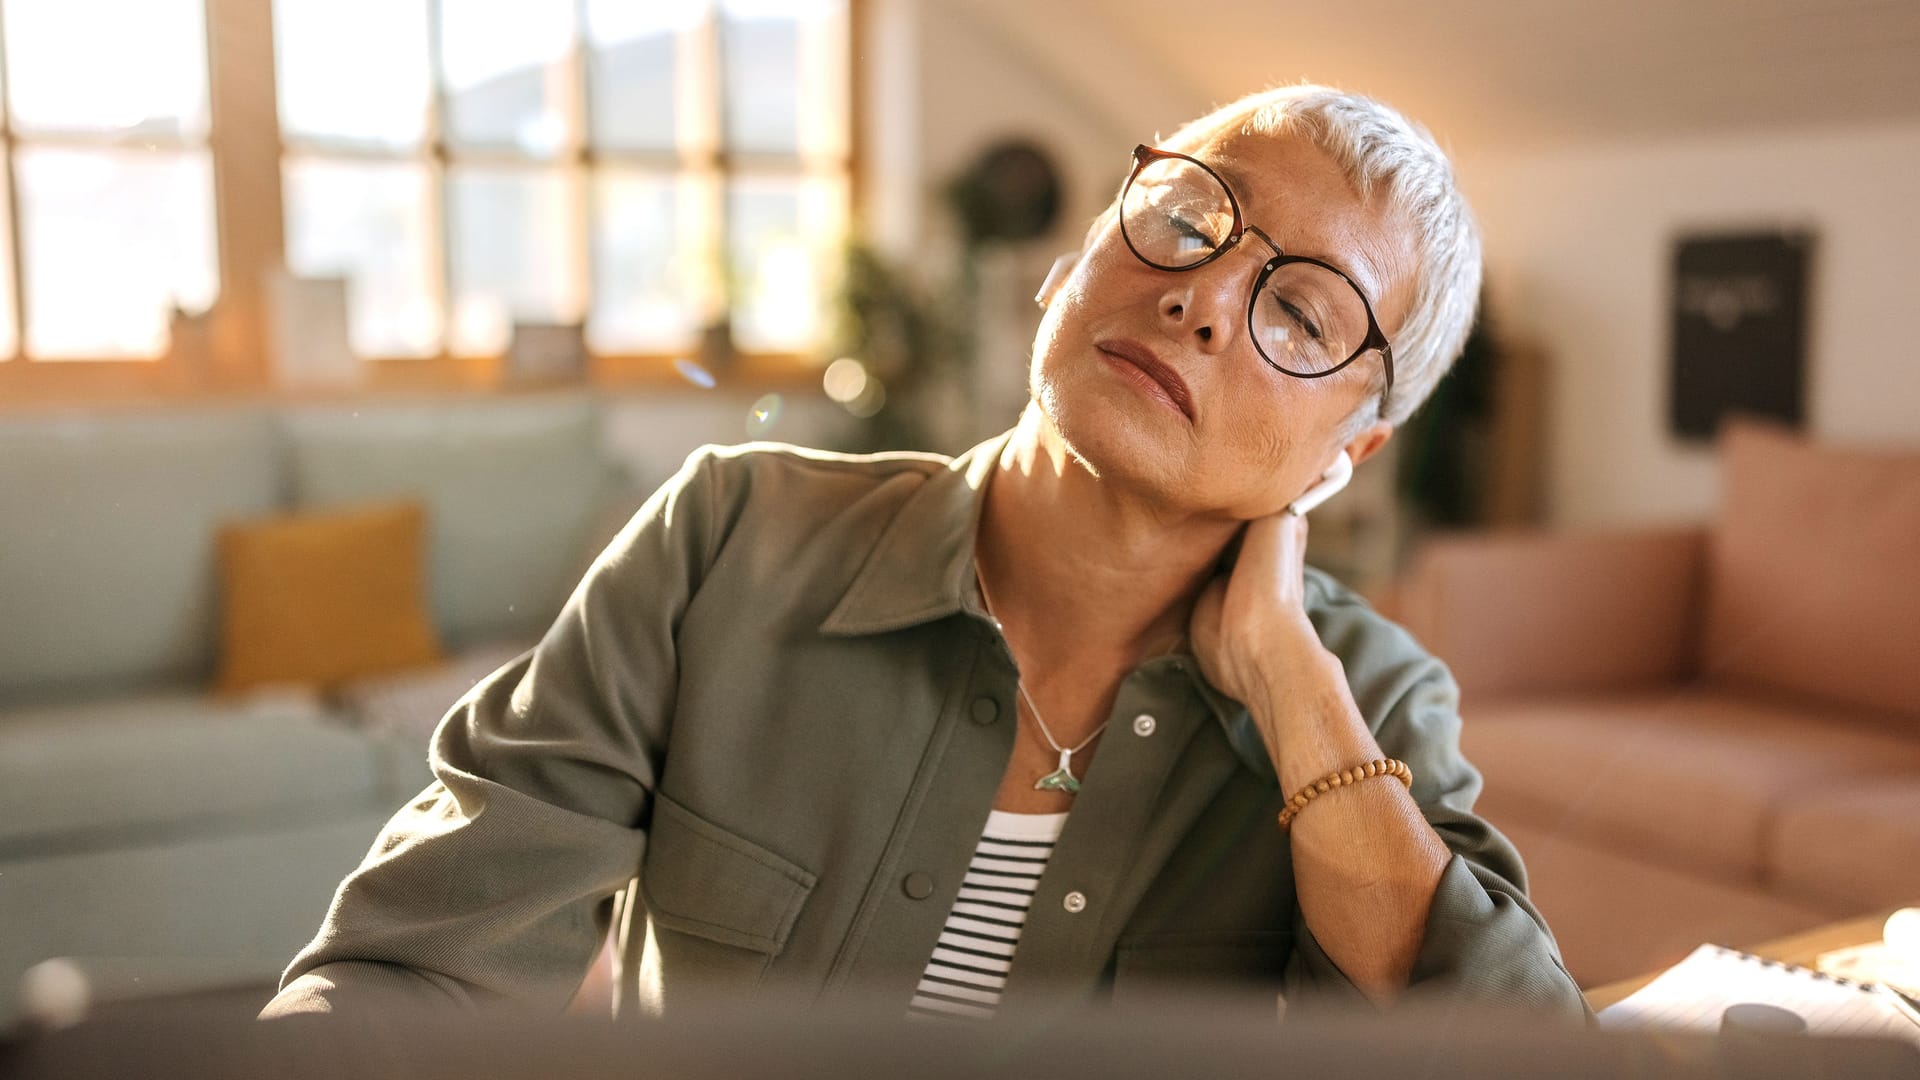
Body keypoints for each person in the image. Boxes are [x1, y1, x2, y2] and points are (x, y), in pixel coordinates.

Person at [261, 84, 1587, 1023]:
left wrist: (1291, 690)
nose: (1199, 296)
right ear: (1075, 265)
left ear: (1340, 457)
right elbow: (415, 969)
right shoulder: (728, 539)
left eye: (1299, 308)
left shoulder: (1367, 701)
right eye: (1188, 221)